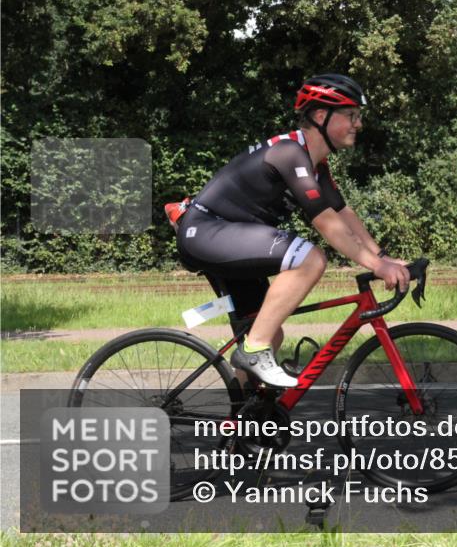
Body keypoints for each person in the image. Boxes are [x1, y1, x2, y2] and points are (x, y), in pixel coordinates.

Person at [168, 73, 410, 388]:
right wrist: (377, 266)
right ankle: (253, 352)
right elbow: (325, 221)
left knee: (268, 330)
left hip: (225, 236)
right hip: (207, 231)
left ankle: (241, 423)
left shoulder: (315, 166)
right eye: (351, 115)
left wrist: (385, 258)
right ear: (322, 116)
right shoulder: (289, 153)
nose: (358, 124)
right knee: (310, 259)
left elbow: (343, 213)